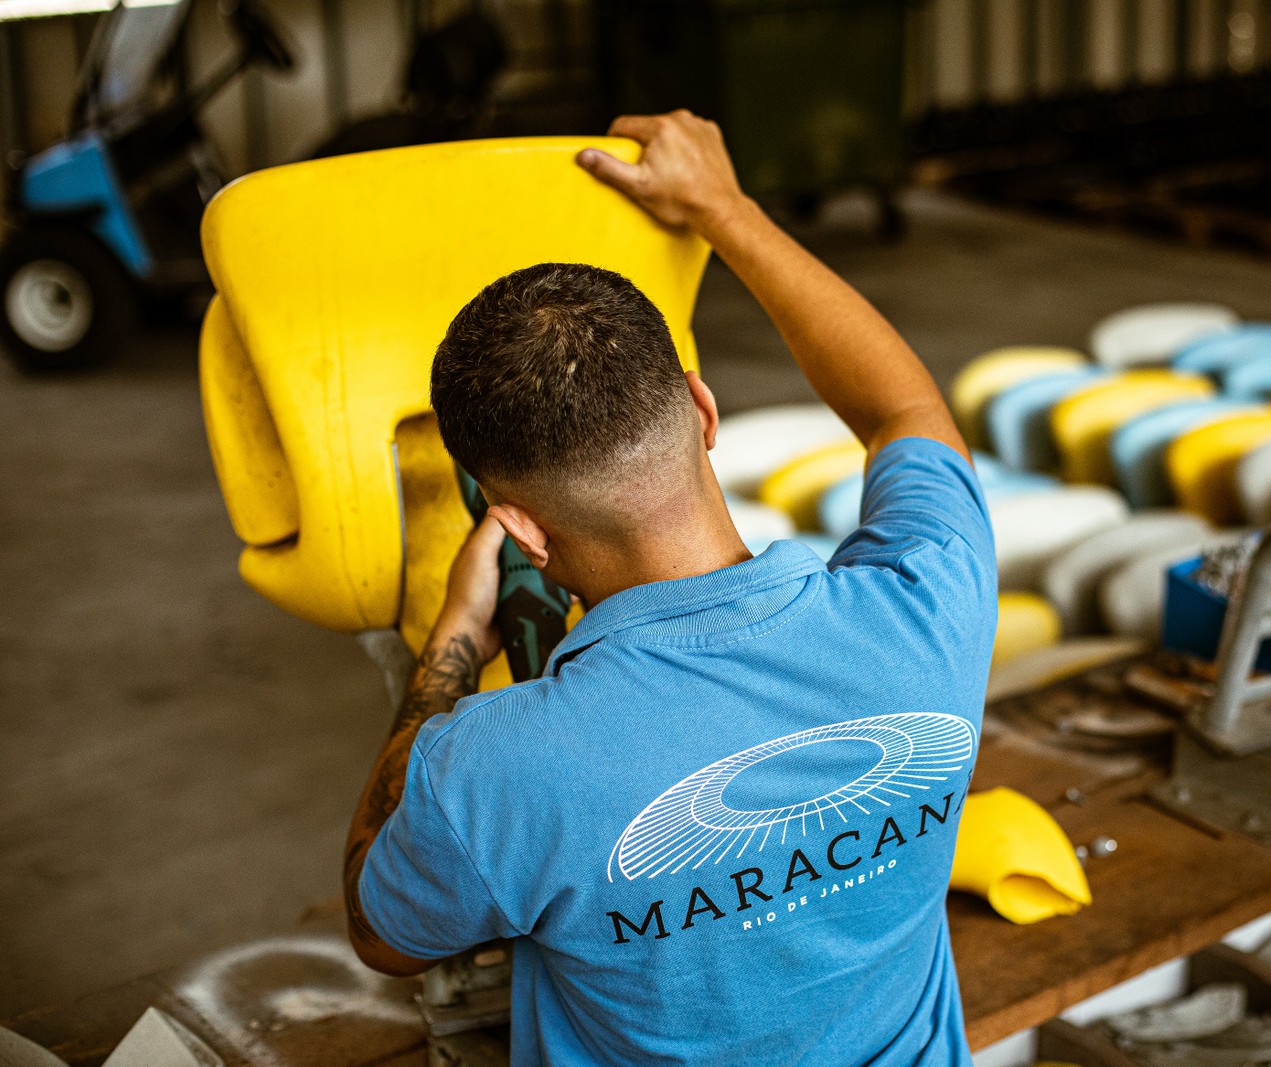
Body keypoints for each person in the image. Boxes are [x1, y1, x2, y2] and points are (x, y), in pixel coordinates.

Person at [342, 110, 999, 1065]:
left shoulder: (487, 769)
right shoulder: (928, 601)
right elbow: (903, 407)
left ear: (513, 521)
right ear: (702, 408)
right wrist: (724, 211)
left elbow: (382, 933)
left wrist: (449, 651)